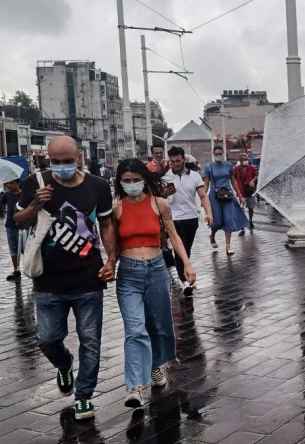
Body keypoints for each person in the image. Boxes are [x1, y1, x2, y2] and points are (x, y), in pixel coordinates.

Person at [14, 136, 117, 420]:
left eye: (67, 161)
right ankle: (64, 363)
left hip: (88, 277)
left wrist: (111, 260)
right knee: (47, 339)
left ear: (79, 158)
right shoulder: (36, 182)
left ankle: (84, 395)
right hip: (48, 280)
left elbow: (106, 223)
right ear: (47, 159)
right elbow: (17, 220)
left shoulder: (97, 185)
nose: (61, 167)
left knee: (91, 341)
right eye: (55, 162)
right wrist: (35, 204)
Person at [111, 159, 196, 408]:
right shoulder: (116, 208)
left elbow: (172, 234)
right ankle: (135, 386)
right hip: (128, 273)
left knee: (159, 324)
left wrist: (187, 264)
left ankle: (157, 365)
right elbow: (112, 243)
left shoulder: (159, 204)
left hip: (157, 269)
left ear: (144, 180)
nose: (131, 184)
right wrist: (109, 264)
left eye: (135, 179)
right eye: (126, 181)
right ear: (119, 182)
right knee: (135, 328)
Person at [162, 146, 213, 296]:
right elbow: (158, 198)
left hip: (191, 218)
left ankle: (185, 270)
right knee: (180, 249)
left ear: (184, 158)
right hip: (174, 219)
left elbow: (203, 196)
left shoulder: (195, 176)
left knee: (187, 249)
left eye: (178, 161)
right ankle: (184, 281)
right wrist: (164, 193)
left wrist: (209, 213)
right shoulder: (165, 177)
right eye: (172, 162)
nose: (175, 164)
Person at [204, 145, 248, 255]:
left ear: (223, 154)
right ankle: (212, 235)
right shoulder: (209, 167)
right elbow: (206, 184)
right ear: (213, 155)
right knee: (217, 221)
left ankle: (228, 246)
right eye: (216, 154)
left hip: (228, 195)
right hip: (215, 196)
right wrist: (203, 198)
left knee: (228, 220)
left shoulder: (228, 166)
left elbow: (233, 182)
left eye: (220, 154)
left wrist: (240, 196)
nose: (218, 156)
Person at [233, 153, 257, 235]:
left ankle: (250, 221)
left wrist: (252, 181)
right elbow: (233, 179)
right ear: (240, 160)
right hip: (241, 192)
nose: (246, 161)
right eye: (244, 159)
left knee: (251, 207)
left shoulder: (251, 168)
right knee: (241, 209)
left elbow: (256, 175)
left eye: (247, 159)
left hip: (250, 191)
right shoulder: (236, 169)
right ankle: (242, 224)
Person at [3, 178, 22, 281]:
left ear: (18, 183)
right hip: (10, 225)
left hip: (23, 227)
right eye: (7, 183)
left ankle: (32, 268)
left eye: (12, 183)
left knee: (26, 249)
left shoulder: (24, 195)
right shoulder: (6, 195)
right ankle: (16, 270)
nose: (9, 185)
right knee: (13, 248)